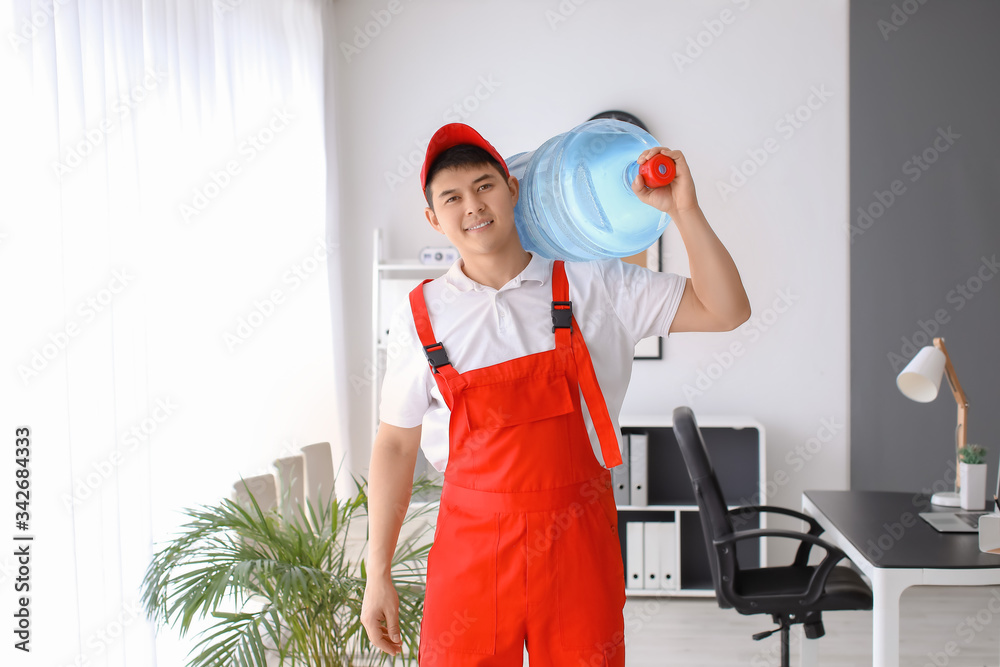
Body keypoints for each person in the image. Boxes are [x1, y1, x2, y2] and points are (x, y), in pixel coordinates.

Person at [360, 122, 751, 667]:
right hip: (471, 551)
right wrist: (377, 571)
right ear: (433, 218)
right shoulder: (419, 318)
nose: (472, 205)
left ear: (513, 188)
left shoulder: (598, 285)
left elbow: (727, 310)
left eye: (484, 185)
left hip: (576, 542)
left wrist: (684, 210)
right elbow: (395, 446)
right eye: (452, 197)